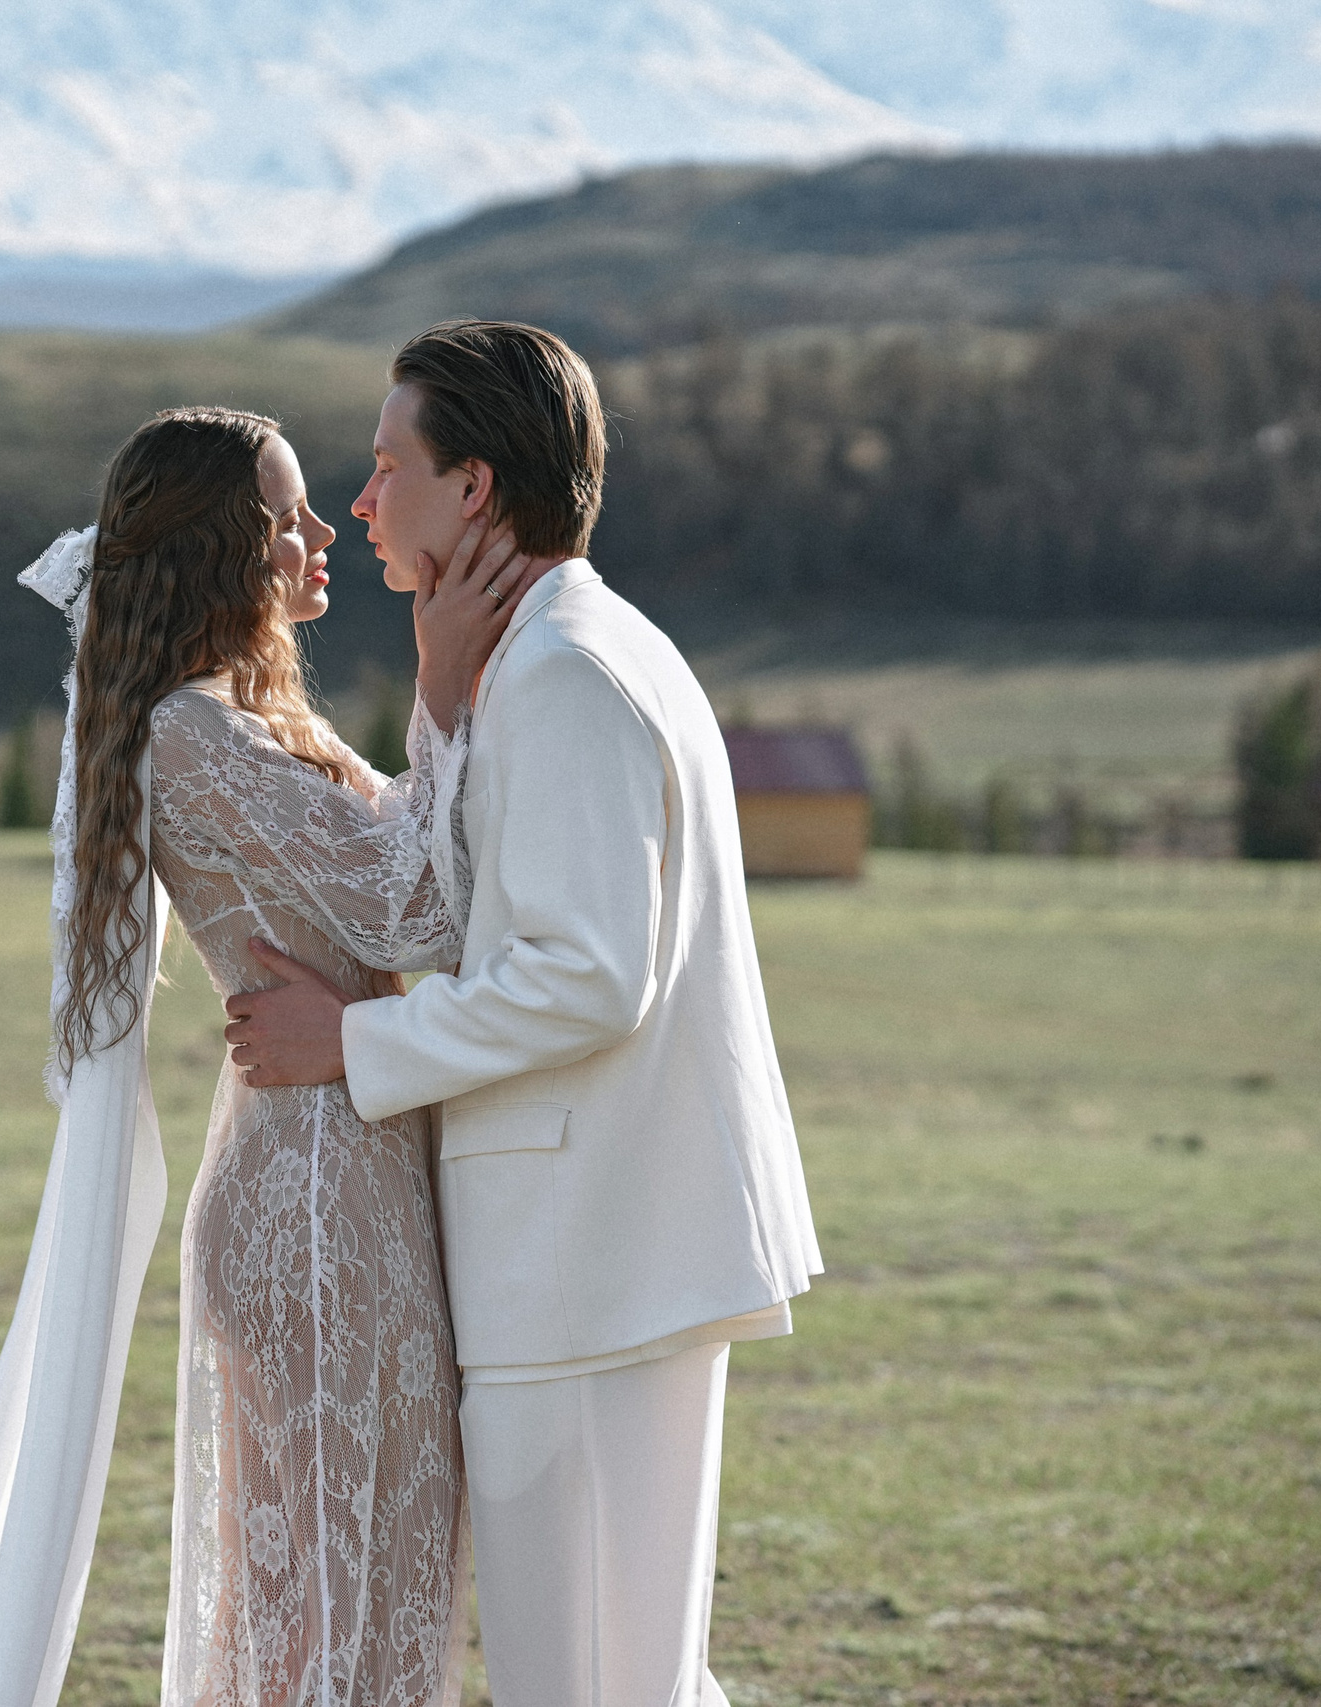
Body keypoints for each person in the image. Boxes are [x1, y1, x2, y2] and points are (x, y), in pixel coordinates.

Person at [0, 405, 547, 1707]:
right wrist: (448, 691)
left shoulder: (256, 713)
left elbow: (399, 865)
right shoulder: (195, 733)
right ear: (222, 549)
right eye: (283, 514)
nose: (317, 531)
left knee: (359, 1579)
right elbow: (424, 909)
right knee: (333, 1601)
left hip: (340, 1171)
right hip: (308, 1203)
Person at [223, 321, 825, 1707]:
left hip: (588, 1257)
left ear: (475, 487)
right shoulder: (554, 657)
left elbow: (583, 970)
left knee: (596, 1679)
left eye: (387, 468)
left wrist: (352, 1044)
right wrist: (441, 706)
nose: (362, 503)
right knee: (624, 1672)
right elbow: (482, 904)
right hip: (596, 1254)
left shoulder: (565, 673)